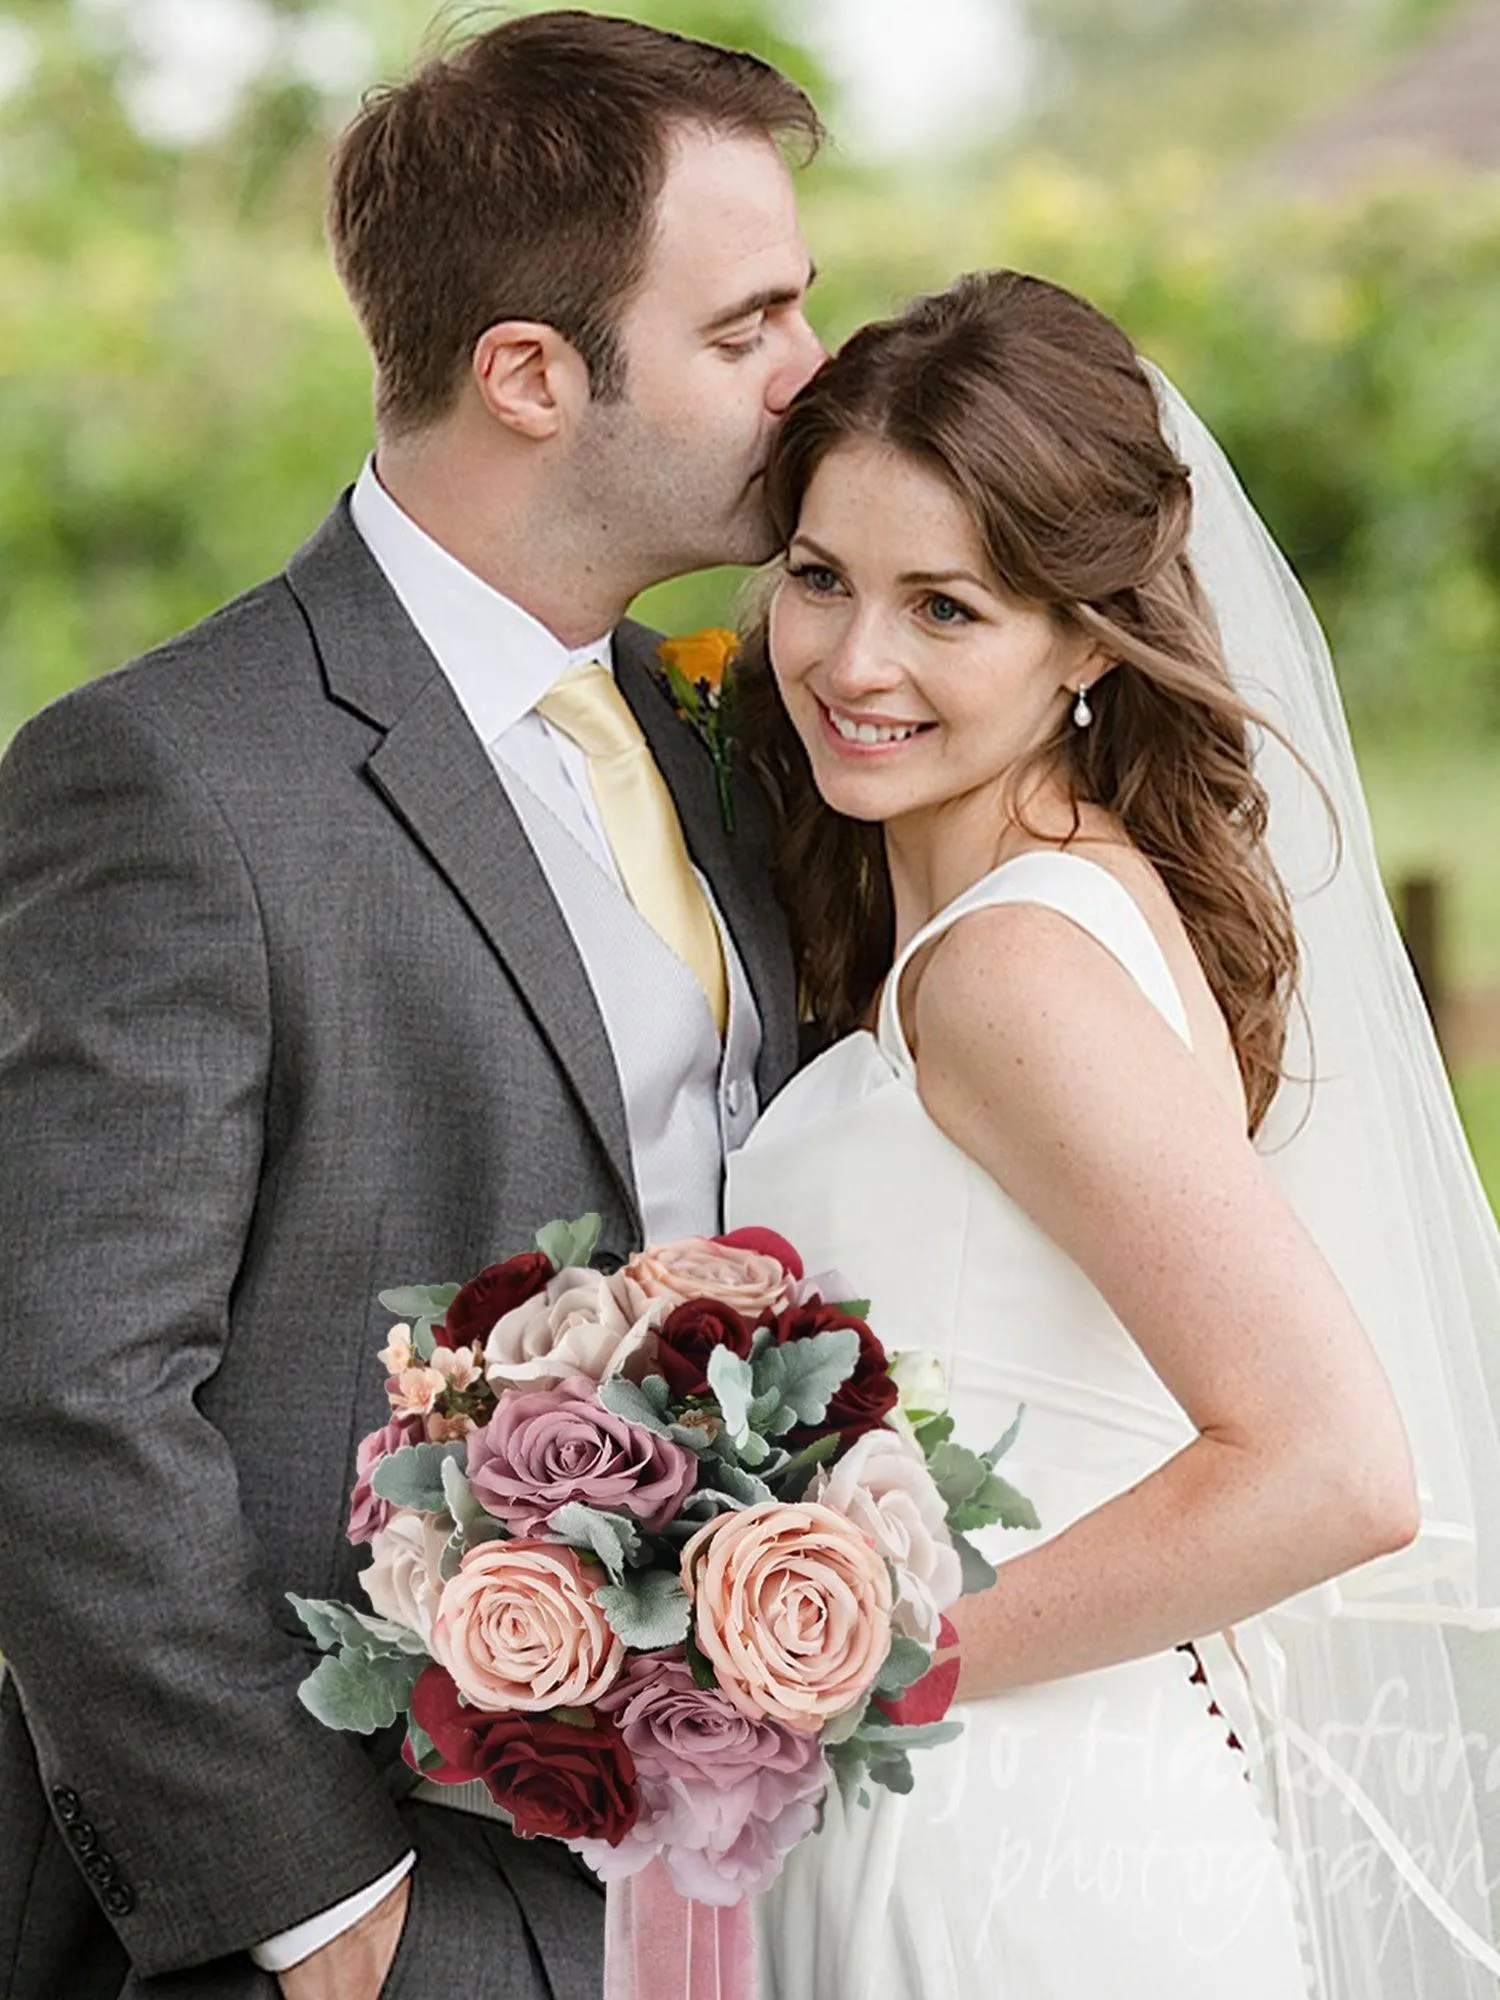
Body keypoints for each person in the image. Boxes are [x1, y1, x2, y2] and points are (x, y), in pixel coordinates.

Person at [0, 13, 825, 1999]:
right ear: (528, 374)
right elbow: (60, 1384)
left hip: (706, 1878)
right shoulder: (175, 777)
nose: (818, 379)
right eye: (748, 330)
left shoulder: (722, 730)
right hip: (351, 1899)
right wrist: (320, 1909)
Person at [725, 269, 1500, 1996]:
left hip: (1005, 1845)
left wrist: (856, 1666)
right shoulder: (1041, 909)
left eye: (947, 609)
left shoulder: (1012, 968)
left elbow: (1333, 1470)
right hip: (1010, 1800)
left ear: (1085, 635)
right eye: (820, 578)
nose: (855, 661)